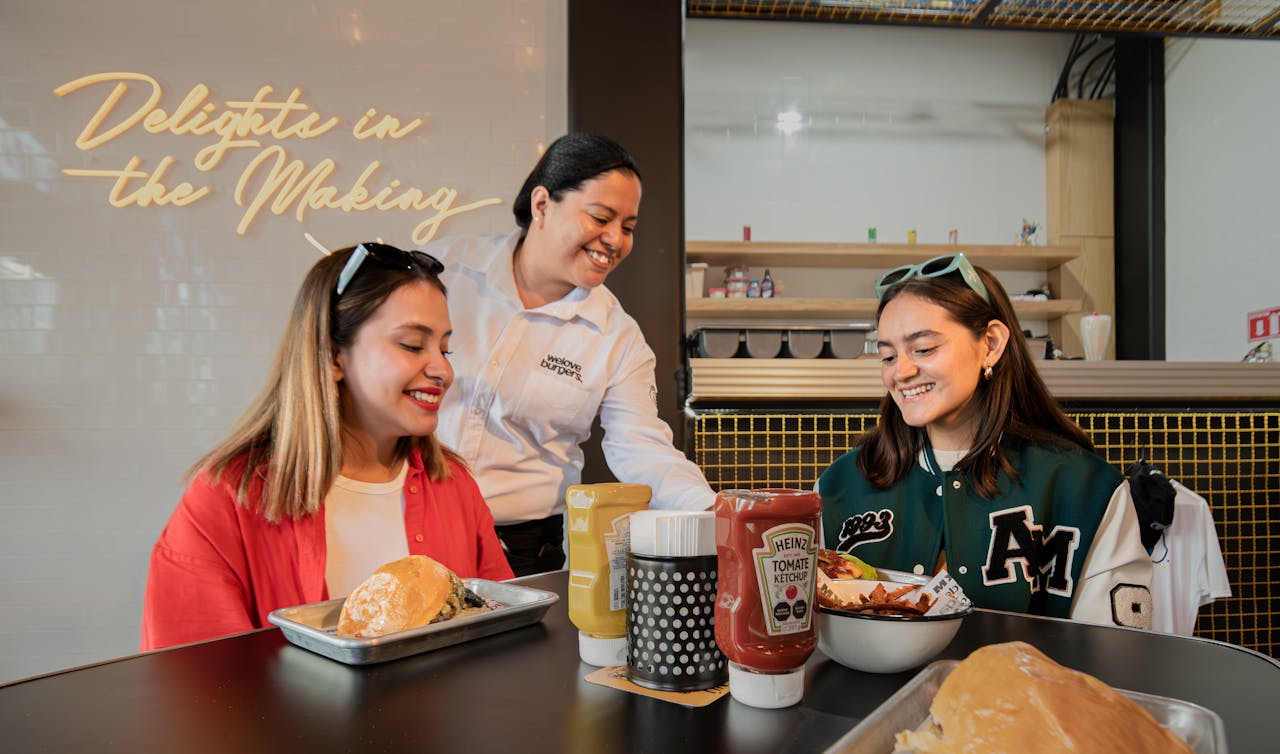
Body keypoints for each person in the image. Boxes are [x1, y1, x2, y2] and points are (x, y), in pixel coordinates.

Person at [141, 242, 513, 651]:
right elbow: (194, 683)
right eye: (411, 345)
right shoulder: (228, 497)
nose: (443, 369)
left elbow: (500, 634)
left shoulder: (455, 485)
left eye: (445, 348)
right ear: (334, 356)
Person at [422, 133, 715, 576]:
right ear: (542, 205)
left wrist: (712, 508)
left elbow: (641, 447)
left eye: (629, 227)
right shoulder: (444, 271)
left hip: (523, 550)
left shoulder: (617, 338)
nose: (615, 239)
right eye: (601, 217)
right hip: (416, 526)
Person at [818, 253, 1153, 627]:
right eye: (887, 356)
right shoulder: (837, 488)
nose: (902, 371)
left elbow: (1116, 661)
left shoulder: (1085, 489)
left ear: (991, 344)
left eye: (924, 348)